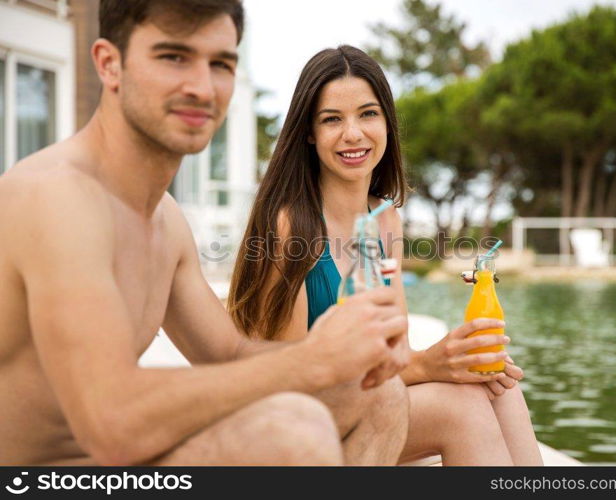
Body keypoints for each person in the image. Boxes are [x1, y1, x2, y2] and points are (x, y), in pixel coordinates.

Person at [0, 1, 411, 466]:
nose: (201, 86)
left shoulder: (164, 219)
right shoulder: (58, 196)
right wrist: (313, 359)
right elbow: (110, 420)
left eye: (220, 64)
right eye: (173, 57)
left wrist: (347, 355)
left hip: (123, 464)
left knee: (383, 398)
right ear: (108, 64)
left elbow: (229, 353)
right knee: (294, 432)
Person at [228, 45, 543, 466]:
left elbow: (393, 354)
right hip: (293, 428)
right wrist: (430, 366)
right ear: (309, 132)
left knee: (497, 385)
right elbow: (296, 383)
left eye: (367, 114)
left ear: (387, 124)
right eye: (332, 119)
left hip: (369, 407)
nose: (353, 133)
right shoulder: (288, 228)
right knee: (461, 410)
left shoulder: (385, 220)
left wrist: (453, 363)